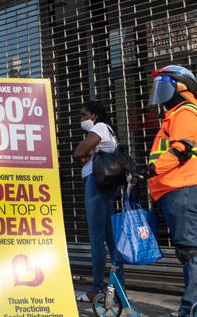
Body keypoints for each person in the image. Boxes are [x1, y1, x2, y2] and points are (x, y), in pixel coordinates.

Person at [145, 65, 197, 317]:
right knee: (194, 251)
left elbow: (181, 150)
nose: (158, 92)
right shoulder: (177, 114)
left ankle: (193, 310)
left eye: (162, 85)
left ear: (179, 87)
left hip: (185, 187)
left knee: (191, 251)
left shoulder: (186, 112)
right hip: (178, 188)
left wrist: (149, 170)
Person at [72, 101, 123, 303]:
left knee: (96, 238)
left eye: (84, 115)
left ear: (94, 115)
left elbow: (78, 153)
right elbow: (83, 158)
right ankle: (119, 289)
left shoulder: (100, 127)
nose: (82, 119)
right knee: (110, 239)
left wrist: (85, 150)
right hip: (105, 185)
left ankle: (96, 290)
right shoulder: (106, 132)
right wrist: (86, 153)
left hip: (97, 184)